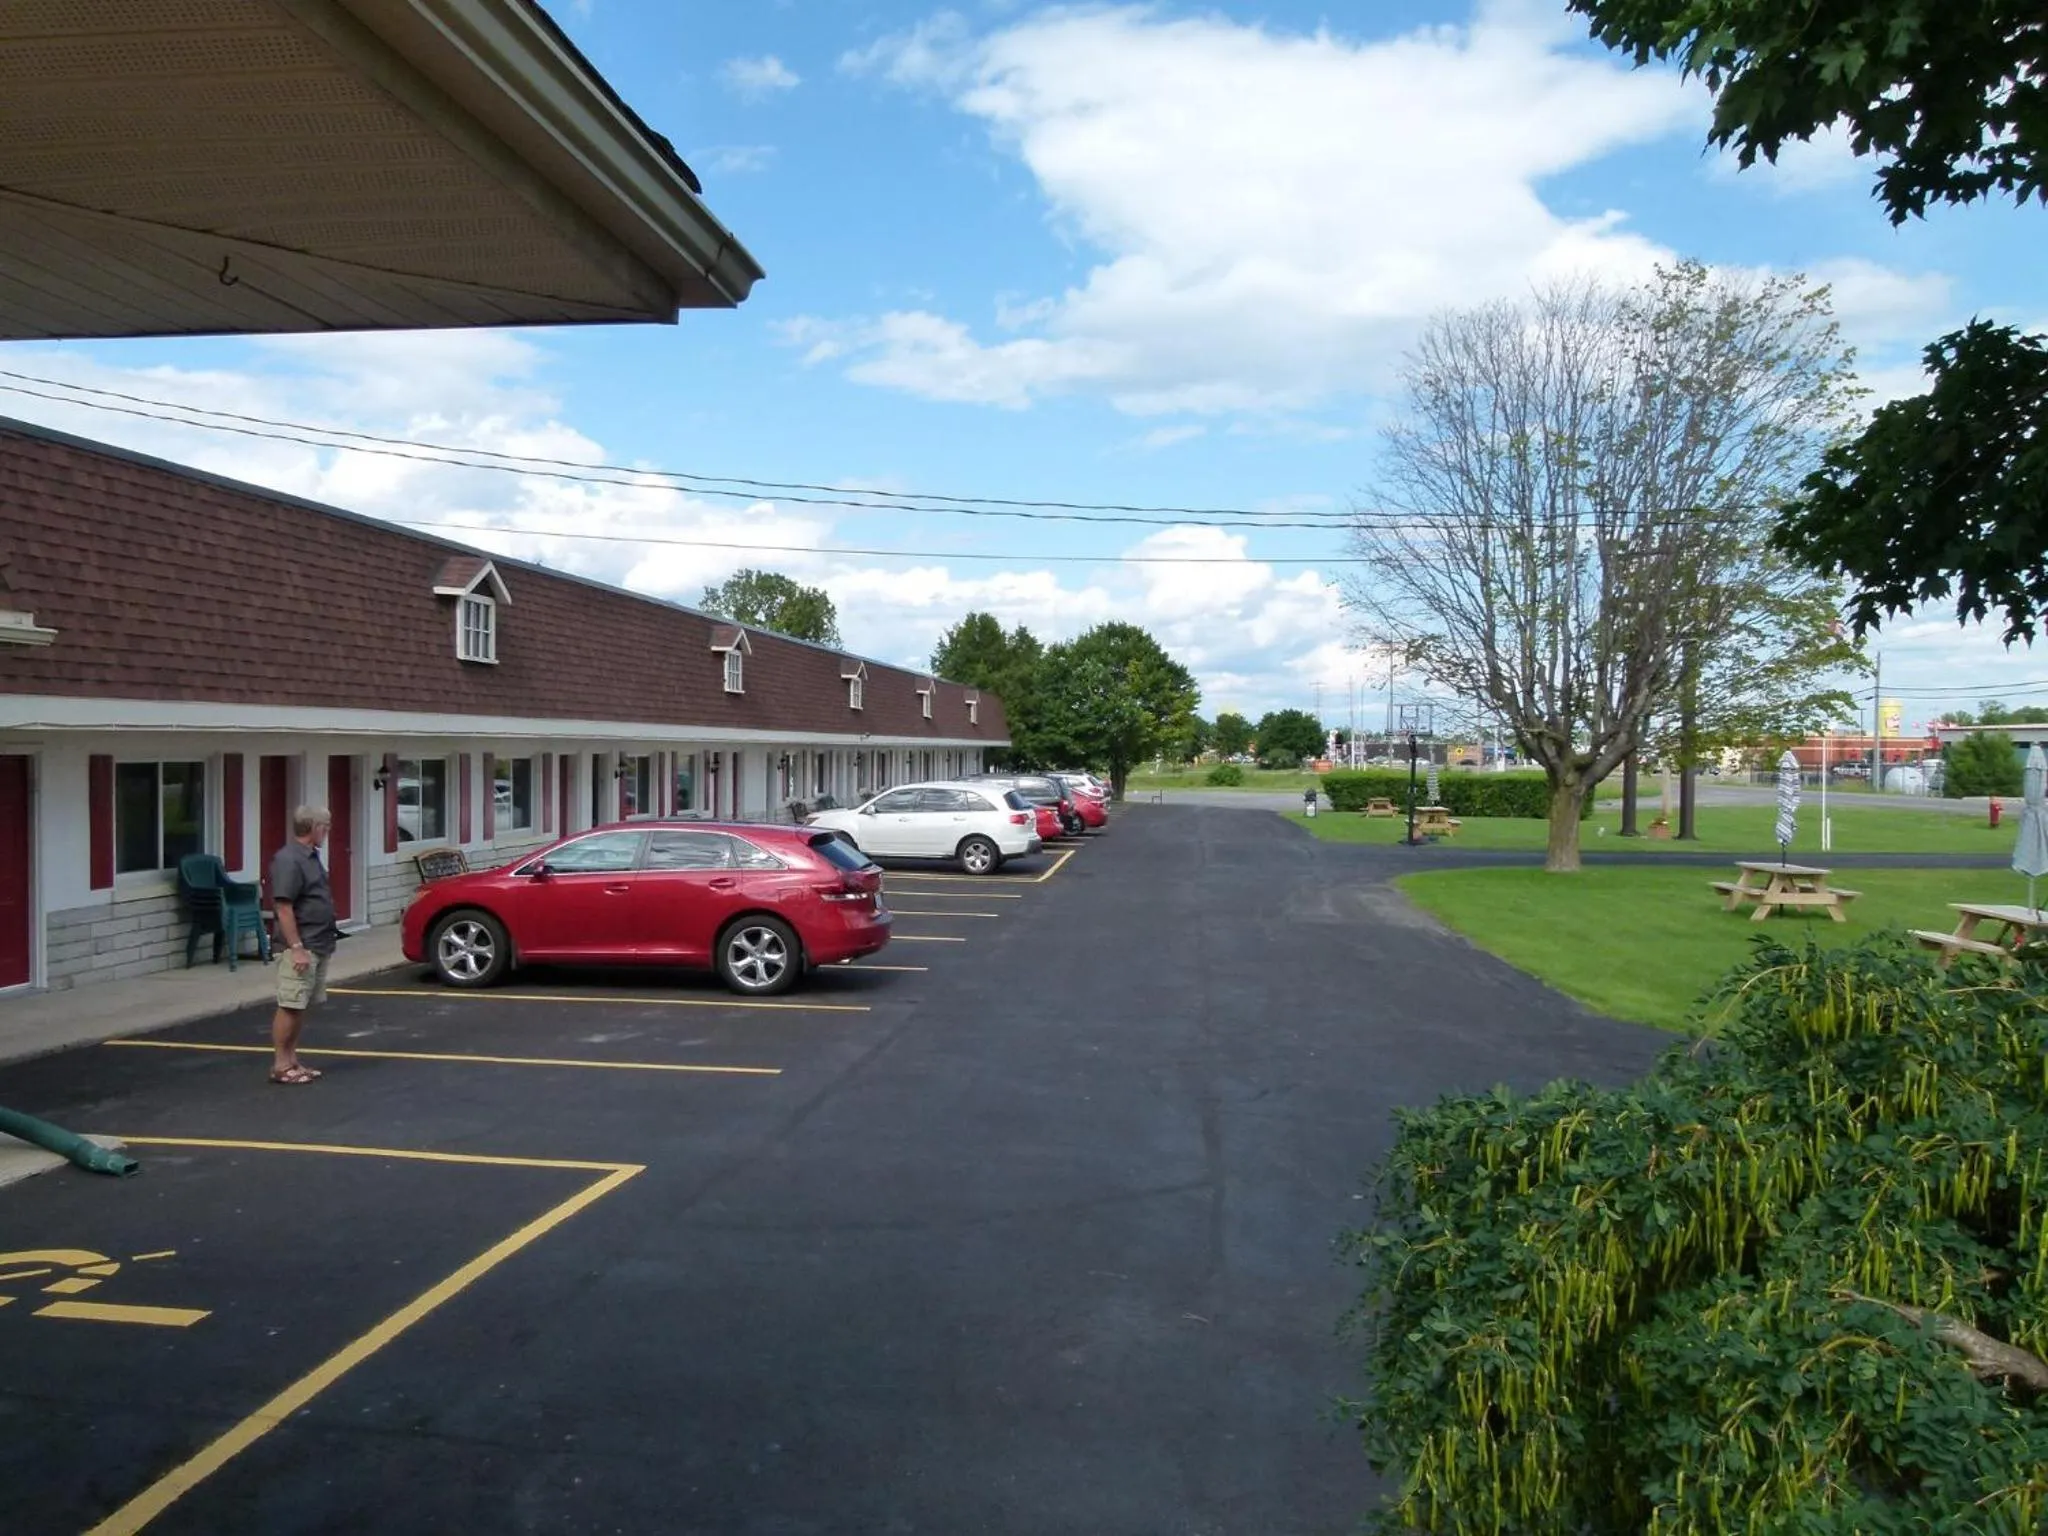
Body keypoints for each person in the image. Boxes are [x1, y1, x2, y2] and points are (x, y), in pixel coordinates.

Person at [268, 805, 338, 1085]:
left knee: (301, 1004)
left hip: (318, 942)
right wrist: (296, 946)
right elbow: (283, 906)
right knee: (290, 1004)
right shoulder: (289, 860)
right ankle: (281, 1065)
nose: (328, 831)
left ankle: (293, 1060)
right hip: (300, 945)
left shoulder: (311, 857)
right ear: (314, 827)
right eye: (326, 826)